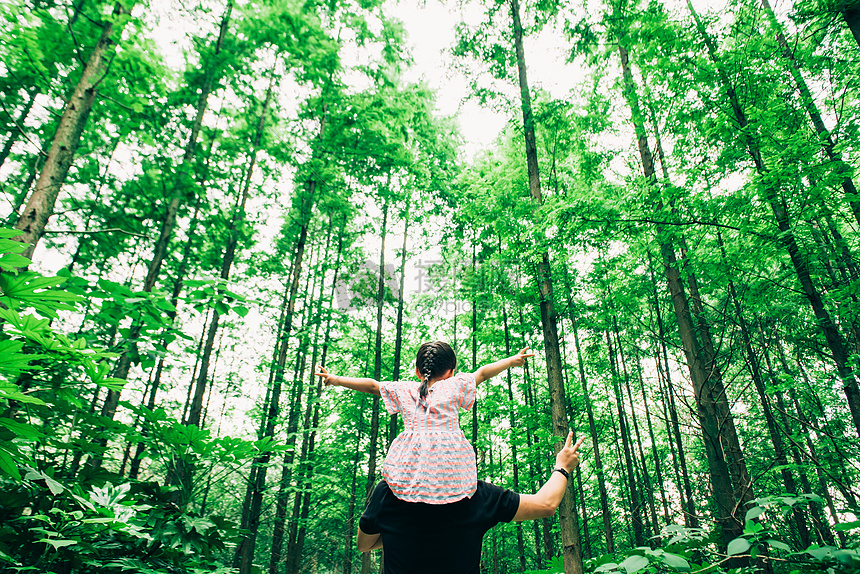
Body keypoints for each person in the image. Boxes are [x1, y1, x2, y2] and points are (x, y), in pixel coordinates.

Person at [315, 341, 534, 504]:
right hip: (450, 462)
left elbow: (373, 386)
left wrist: (336, 380)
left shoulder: (404, 389)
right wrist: (512, 361)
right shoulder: (455, 384)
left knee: (404, 495)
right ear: (451, 371)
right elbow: (483, 373)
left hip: (412, 464)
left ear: (418, 372)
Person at [357, 430, 586, 574]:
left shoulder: (388, 492)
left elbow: (364, 544)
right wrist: (563, 467)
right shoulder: (477, 494)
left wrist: (401, 534)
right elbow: (546, 504)